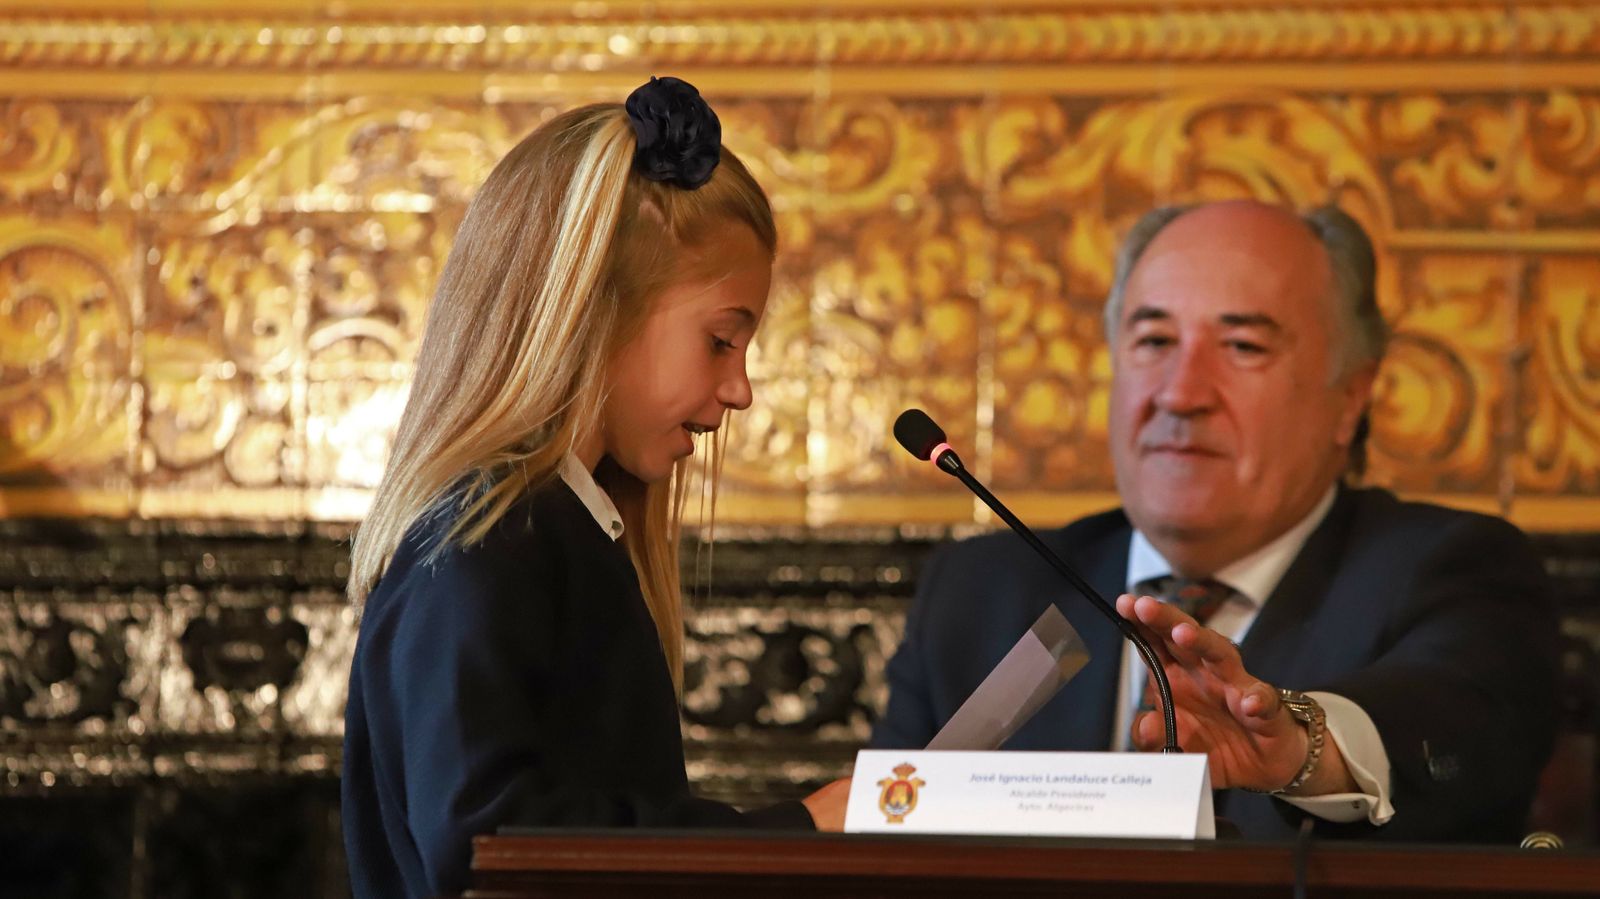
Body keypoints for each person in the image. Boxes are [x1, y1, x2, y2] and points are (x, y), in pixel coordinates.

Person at [872, 200, 1558, 842]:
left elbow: (1452, 732)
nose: (1180, 392)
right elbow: (878, 839)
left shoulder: (1449, 568)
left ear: (1352, 394)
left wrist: (1299, 747)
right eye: (1153, 339)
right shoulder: (985, 589)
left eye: (1243, 347)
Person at [341, 77, 849, 899]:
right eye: (721, 340)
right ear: (598, 311)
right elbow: (484, 840)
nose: (742, 388)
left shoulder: (560, 533)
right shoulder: (484, 539)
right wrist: (802, 828)